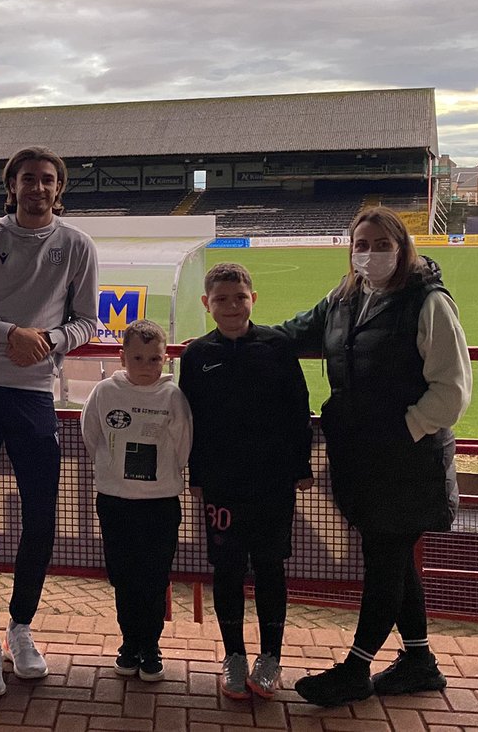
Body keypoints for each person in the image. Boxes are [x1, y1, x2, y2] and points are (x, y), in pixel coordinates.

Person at [276, 207, 471, 707]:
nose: (370, 253)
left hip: (408, 461)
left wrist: (402, 431)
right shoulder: (344, 298)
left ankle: (356, 668)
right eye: (361, 243)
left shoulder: (428, 302)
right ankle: (420, 660)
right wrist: (235, 335)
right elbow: (294, 333)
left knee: (384, 558)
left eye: (382, 244)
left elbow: (451, 392)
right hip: (362, 457)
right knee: (394, 556)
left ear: (402, 247)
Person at [0, 146, 99, 697]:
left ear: (60, 188)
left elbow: (87, 321)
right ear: (12, 186)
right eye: (28, 179)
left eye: (48, 180)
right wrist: (9, 333)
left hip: (33, 395)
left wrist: (50, 340)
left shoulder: (77, 246)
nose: (38, 188)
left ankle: (21, 626)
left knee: (40, 516)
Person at [179, 262, 313, 700]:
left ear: (253, 299)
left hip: (273, 482)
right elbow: (191, 421)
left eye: (239, 297)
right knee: (228, 569)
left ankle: (270, 658)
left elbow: (299, 409)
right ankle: (234, 655)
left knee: (271, 567)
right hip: (221, 485)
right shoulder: (197, 356)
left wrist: (302, 466)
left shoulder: (277, 346)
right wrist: (197, 476)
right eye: (221, 299)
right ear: (207, 304)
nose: (231, 306)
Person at [81, 319, 192, 683]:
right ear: (122, 357)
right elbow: (91, 434)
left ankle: (151, 646)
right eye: (138, 358)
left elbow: (182, 445)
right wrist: (113, 472)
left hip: (160, 502)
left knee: (154, 576)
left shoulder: (172, 396)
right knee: (124, 577)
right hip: (116, 501)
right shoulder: (104, 392)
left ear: (165, 359)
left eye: (155, 359)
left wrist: (162, 476)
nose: (147, 366)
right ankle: (129, 644)